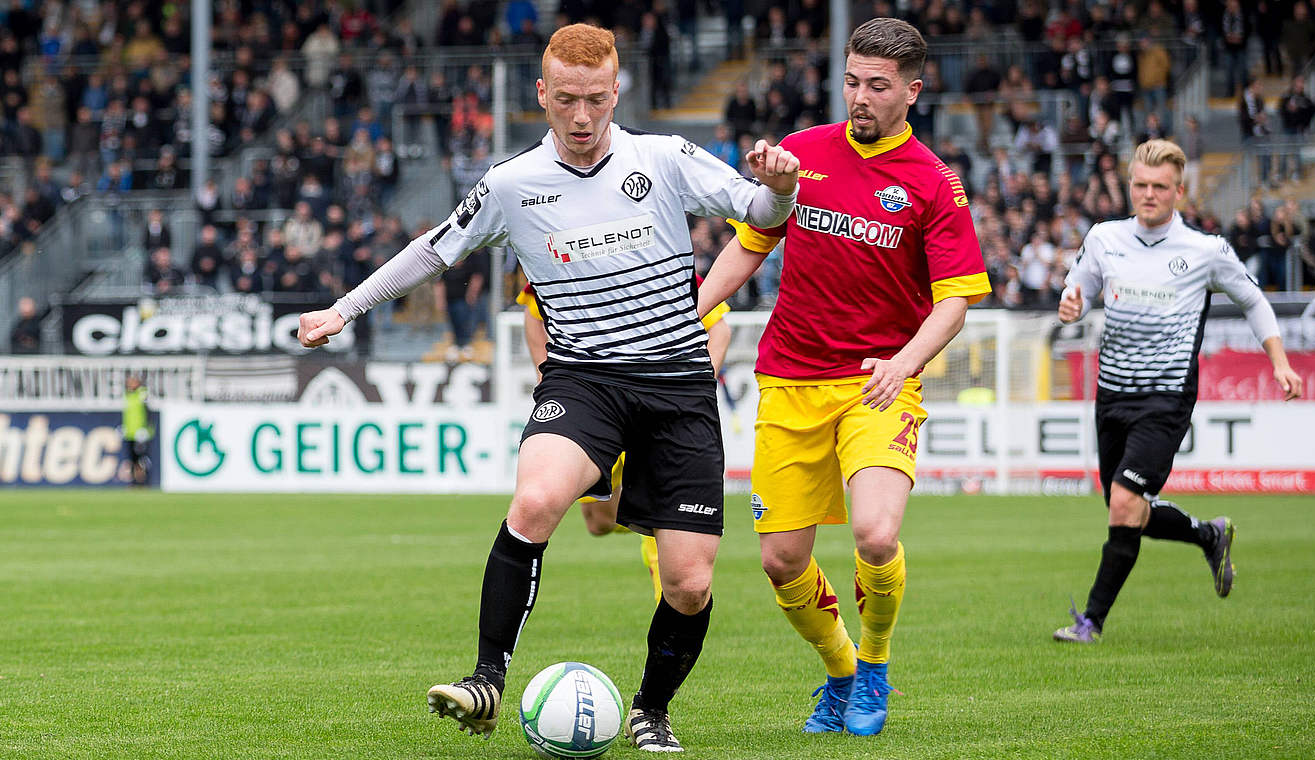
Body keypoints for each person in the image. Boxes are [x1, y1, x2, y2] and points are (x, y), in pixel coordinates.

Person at [296, 24, 801, 753]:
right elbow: (433, 250)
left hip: (676, 384)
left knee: (689, 584)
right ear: (543, 94)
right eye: (566, 99)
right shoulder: (510, 183)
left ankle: (651, 710)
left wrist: (781, 189)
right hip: (585, 378)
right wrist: (342, 309)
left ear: (616, 92)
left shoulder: (661, 158)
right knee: (534, 501)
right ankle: (485, 682)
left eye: (596, 99)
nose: (583, 116)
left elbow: (760, 214)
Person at [696, 18, 990, 737]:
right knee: (780, 561)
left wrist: (905, 361)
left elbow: (954, 300)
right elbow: (750, 245)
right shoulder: (800, 154)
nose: (860, 97)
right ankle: (840, 670)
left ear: (912, 91)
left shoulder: (934, 185)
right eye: (852, 81)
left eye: (878, 86)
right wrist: (689, 312)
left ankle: (878, 665)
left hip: (876, 383)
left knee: (877, 534)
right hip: (789, 378)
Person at [1053, 139, 1303, 644]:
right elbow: (1077, 288)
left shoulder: (1205, 250)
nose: (1148, 195)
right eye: (1140, 185)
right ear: (1130, 186)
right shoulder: (1105, 238)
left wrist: (1279, 361)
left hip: (1166, 400)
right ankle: (1209, 535)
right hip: (1111, 396)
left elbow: (1254, 301)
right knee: (1130, 511)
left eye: (1159, 187)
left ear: (1179, 192)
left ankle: (1091, 623)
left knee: (1125, 503)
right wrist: (1071, 305)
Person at [518, 277, 733, 602]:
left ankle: (667, 547)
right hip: (597, 403)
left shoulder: (660, 256)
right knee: (598, 521)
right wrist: (546, 374)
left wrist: (694, 387)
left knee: (667, 521)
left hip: (664, 404)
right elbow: (534, 314)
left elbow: (719, 328)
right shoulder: (568, 251)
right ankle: (649, 512)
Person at [122, 375, 153, 486]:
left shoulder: (142, 394)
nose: (129, 384)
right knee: (132, 459)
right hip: (130, 432)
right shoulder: (127, 395)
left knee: (141, 459)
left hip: (140, 432)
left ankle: (142, 481)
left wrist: (146, 428)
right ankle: (134, 481)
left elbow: (148, 411)